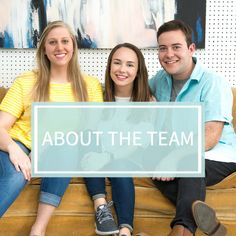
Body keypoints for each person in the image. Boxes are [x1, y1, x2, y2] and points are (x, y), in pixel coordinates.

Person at [0, 20, 103, 236]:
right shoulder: (26, 82)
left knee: (65, 148)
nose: (59, 47)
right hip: (20, 144)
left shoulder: (90, 86)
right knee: (18, 176)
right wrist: (13, 148)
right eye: (52, 42)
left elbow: (90, 133)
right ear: (44, 50)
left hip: (60, 148)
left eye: (65, 41)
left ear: (73, 47)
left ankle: (38, 230)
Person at [149, 19, 236, 236]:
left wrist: (173, 158)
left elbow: (211, 136)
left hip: (219, 154)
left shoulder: (213, 83)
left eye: (176, 47)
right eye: (162, 48)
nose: (169, 54)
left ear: (191, 49)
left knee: (190, 163)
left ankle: (181, 232)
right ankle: (210, 224)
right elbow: (134, 90)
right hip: (185, 153)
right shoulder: (160, 80)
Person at [84, 43, 154, 236]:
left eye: (130, 65)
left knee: (119, 164)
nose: (122, 69)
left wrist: (108, 156)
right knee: (87, 145)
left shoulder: (147, 102)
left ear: (139, 70)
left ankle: (124, 230)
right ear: (109, 67)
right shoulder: (98, 95)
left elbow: (138, 142)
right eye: (117, 63)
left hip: (125, 161)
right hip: (98, 157)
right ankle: (101, 208)